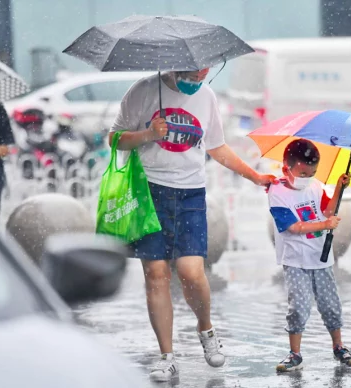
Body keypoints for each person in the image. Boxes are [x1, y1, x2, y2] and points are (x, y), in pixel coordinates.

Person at [110, 68, 276, 382]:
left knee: (190, 271)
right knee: (156, 274)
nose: (201, 73)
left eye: (206, 68)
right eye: (195, 68)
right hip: (147, 192)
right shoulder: (143, 91)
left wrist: (255, 176)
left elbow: (217, 147)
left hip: (190, 194)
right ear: (176, 62)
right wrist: (148, 135)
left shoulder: (206, 95)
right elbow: (115, 139)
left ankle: (206, 328)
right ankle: (166, 356)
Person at [267, 138, 351, 372]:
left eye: (313, 172)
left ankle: (339, 346)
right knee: (298, 306)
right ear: (287, 167)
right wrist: (324, 224)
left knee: (330, 304)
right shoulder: (277, 192)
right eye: (304, 172)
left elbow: (328, 210)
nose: (308, 177)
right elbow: (293, 227)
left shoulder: (315, 186)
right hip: (295, 260)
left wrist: (339, 187)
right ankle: (294, 353)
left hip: (321, 258)